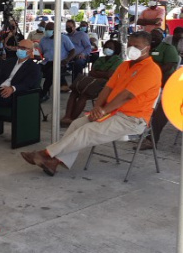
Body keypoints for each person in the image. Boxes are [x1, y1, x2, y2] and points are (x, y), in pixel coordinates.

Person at [21, 31, 162, 176]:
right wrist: (97, 108)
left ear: (147, 48)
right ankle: (54, 162)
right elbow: (107, 88)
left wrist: (103, 111)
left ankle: (45, 154)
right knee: (76, 124)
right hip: (111, 112)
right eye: (130, 45)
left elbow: (126, 96)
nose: (132, 48)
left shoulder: (151, 70)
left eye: (137, 46)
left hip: (132, 119)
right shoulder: (124, 66)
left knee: (86, 130)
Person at [59, 40, 123, 127]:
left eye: (110, 48)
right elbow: (91, 72)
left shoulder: (118, 61)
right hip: (92, 82)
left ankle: (72, 119)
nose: (107, 49)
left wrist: (98, 73)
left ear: (116, 50)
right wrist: (102, 73)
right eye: (106, 47)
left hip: (104, 86)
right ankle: (67, 116)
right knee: (74, 92)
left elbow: (109, 75)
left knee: (84, 95)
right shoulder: (100, 59)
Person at [138, 28, 180, 150]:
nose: (154, 38)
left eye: (157, 35)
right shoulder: (145, 48)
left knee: (162, 110)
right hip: (146, 83)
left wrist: (150, 69)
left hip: (165, 83)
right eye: (152, 36)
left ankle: (151, 139)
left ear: (163, 37)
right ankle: (138, 131)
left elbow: (168, 66)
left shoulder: (168, 48)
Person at [38, 22, 76, 102]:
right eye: (46, 29)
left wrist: (67, 60)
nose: (47, 31)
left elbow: (73, 50)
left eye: (49, 30)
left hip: (61, 62)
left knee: (50, 72)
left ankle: (44, 93)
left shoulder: (63, 38)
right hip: (47, 61)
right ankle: (38, 90)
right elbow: (39, 52)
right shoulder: (43, 40)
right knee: (35, 69)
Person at [64, 19, 92, 87]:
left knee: (78, 63)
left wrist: (83, 54)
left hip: (80, 56)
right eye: (66, 26)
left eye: (69, 26)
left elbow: (88, 47)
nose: (68, 28)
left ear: (74, 27)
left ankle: (76, 84)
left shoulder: (82, 35)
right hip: (68, 57)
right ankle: (63, 85)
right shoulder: (65, 36)